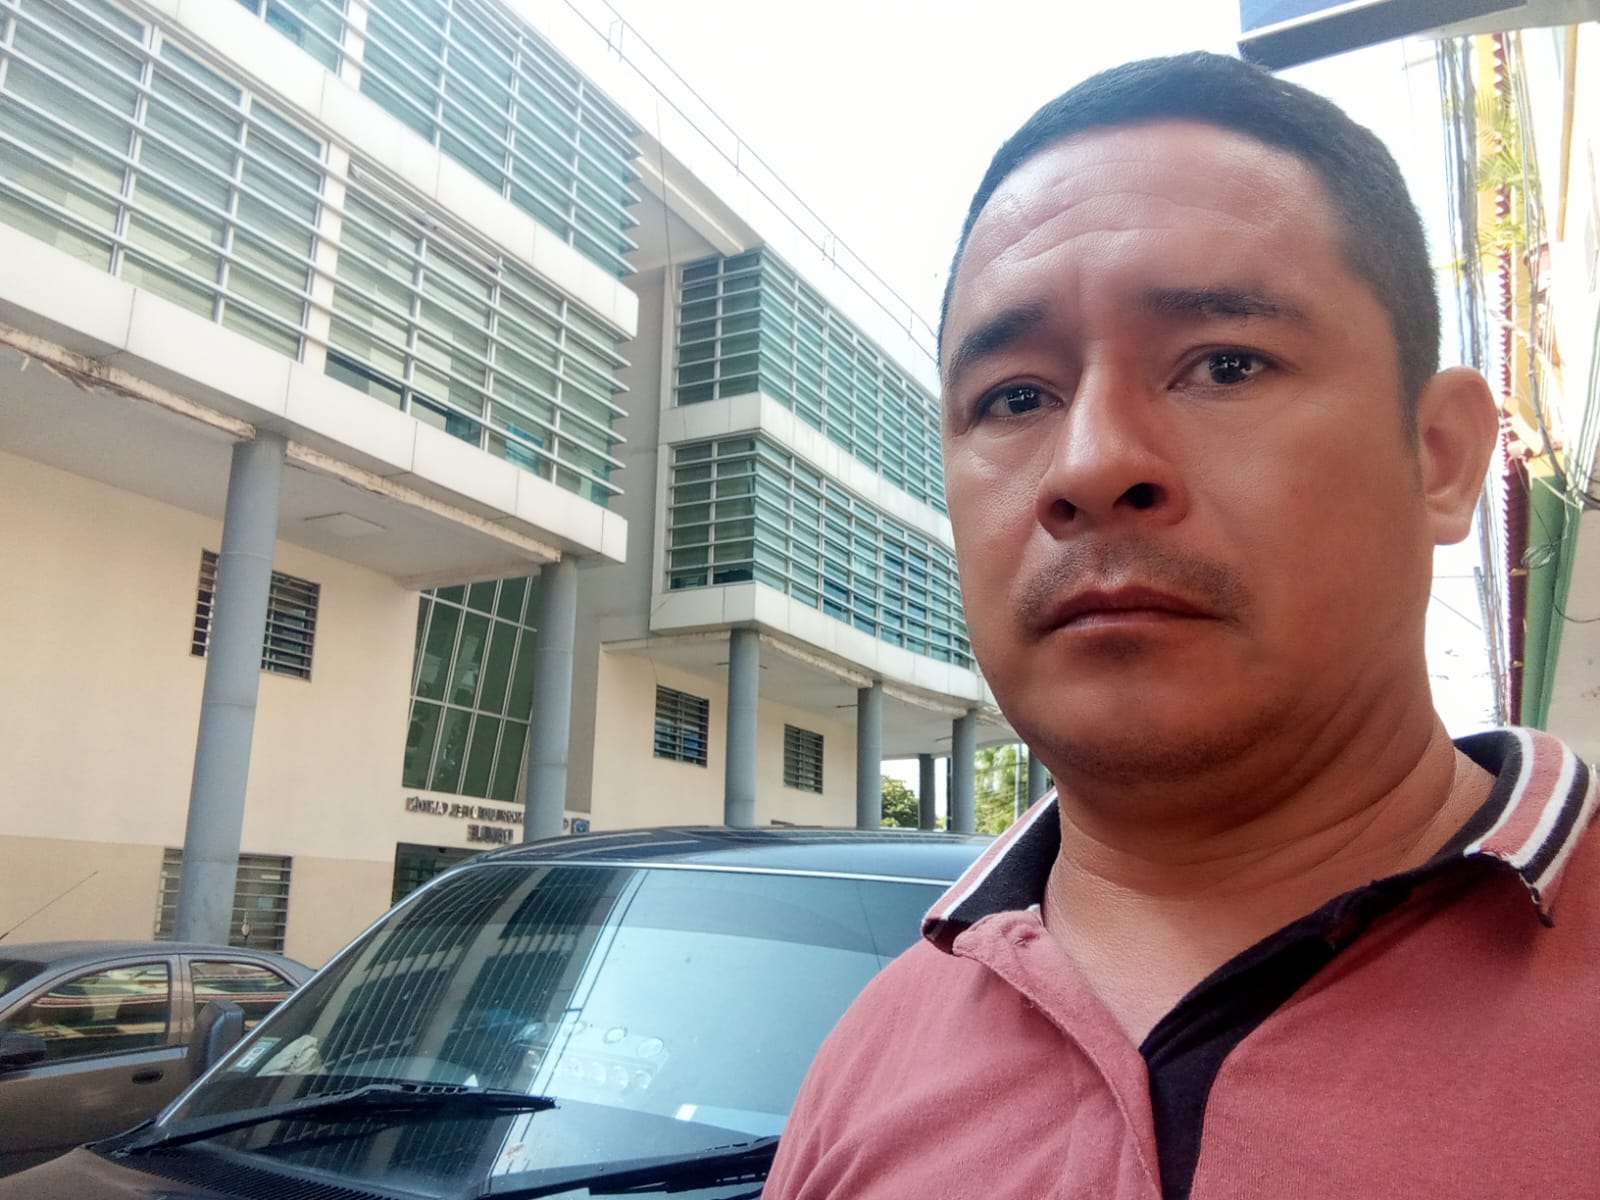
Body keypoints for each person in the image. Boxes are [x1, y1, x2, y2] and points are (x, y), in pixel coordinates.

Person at [763, 51, 1598, 1200]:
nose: (1091, 465)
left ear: (1440, 457)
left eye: (1224, 365)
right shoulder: (866, 1066)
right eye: (1015, 397)